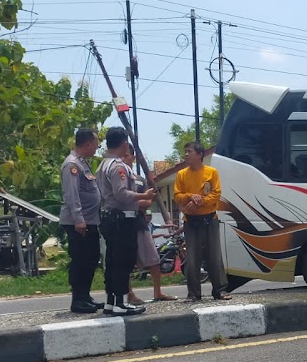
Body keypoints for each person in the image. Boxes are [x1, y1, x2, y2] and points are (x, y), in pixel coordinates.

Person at [96, 127, 155, 315]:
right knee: (123, 261)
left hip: (109, 218)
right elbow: (121, 194)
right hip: (121, 220)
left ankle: (111, 301)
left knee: (113, 261)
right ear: (124, 144)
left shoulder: (103, 164)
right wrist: (143, 195)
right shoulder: (118, 166)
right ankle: (120, 302)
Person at [118, 142, 177, 304]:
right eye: (121, 156)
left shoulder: (139, 180)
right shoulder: (118, 177)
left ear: (133, 158)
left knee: (153, 258)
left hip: (139, 222)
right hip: (122, 223)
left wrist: (137, 203)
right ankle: (130, 294)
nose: (123, 159)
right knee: (126, 261)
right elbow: (121, 201)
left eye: (126, 155)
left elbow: (148, 202)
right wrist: (139, 202)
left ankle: (157, 292)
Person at [174, 141, 230, 301]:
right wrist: (190, 196)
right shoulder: (181, 174)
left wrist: (199, 201)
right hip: (190, 221)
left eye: (189, 151)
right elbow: (177, 195)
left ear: (199, 155)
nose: (186, 155)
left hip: (210, 219)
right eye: (185, 152)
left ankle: (220, 290)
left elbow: (216, 194)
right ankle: (193, 294)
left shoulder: (212, 172)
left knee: (214, 256)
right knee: (192, 258)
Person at [59, 128, 104, 314]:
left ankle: (85, 296)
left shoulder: (83, 163)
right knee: (81, 260)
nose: (97, 147)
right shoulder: (72, 165)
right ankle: (78, 300)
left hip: (90, 221)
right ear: (87, 143)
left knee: (91, 259)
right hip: (79, 222)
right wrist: (79, 219)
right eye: (95, 143)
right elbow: (72, 195)